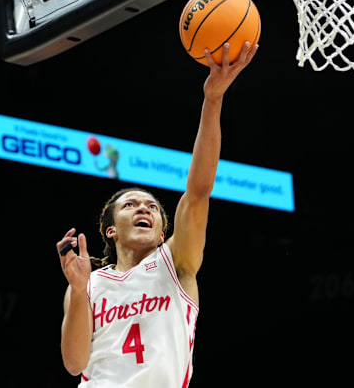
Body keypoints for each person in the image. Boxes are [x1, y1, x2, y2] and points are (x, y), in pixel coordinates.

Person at [55, 41, 259, 388]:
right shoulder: (90, 285)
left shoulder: (176, 263)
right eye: (130, 204)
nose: (144, 208)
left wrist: (213, 99)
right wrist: (76, 289)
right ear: (110, 231)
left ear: (164, 232)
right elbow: (75, 364)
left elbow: (197, 192)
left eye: (152, 207)